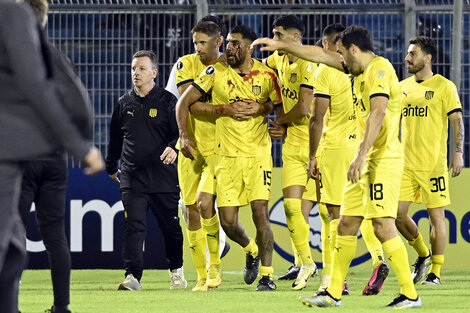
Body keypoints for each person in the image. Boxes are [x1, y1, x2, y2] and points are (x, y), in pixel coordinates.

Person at [251, 25, 421, 308]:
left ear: (354, 49)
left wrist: (362, 154)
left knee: (381, 225)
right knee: (346, 223)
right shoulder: (357, 68)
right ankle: (333, 292)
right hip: (364, 160)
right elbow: (319, 54)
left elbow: (378, 112)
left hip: (380, 160)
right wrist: (284, 46)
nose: (339, 59)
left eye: (342, 52)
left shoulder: (379, 71)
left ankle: (410, 294)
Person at [0, 2, 103, 313]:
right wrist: (80, 145)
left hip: (24, 157)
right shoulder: (21, 23)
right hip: (39, 154)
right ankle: (61, 306)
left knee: (13, 241)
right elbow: (44, 88)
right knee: (32, 238)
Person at [176, 25, 281, 291]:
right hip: (225, 157)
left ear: (248, 47)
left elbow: (277, 106)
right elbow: (187, 104)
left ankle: (267, 277)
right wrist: (223, 109)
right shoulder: (215, 73)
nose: (230, 49)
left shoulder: (268, 75)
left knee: (261, 214)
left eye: (236, 44)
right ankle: (252, 249)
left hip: (258, 156)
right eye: (229, 43)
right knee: (229, 222)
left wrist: (263, 109)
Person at [308, 23, 390, 296]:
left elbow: (316, 117)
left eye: (324, 45)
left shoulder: (326, 70)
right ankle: (378, 259)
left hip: (336, 148)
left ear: (332, 46)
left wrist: (312, 154)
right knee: (362, 213)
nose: (323, 50)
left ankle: (334, 279)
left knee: (334, 215)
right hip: (362, 148)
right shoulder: (364, 69)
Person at [105, 50, 186, 291]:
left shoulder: (168, 101)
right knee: (134, 226)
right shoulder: (123, 103)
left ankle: (176, 272)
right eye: (133, 69)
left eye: (141, 69)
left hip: (163, 177)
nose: (135, 73)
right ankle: (132, 276)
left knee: (170, 228)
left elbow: (181, 133)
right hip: (132, 177)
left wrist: (174, 148)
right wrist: (111, 166)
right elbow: (115, 140)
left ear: (154, 72)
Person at [396, 36, 464, 285]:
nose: (407, 58)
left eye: (413, 54)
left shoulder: (444, 87)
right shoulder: (402, 87)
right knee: (396, 215)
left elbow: (457, 121)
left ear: (428, 58)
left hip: (433, 164)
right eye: (408, 53)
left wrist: (458, 152)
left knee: (437, 217)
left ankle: (435, 272)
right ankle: (423, 253)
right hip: (404, 164)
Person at [170, 18, 227, 292]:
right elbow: (188, 103)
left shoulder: (228, 67)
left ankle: (215, 268)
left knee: (206, 206)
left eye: (203, 43)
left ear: (219, 41)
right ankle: (201, 277)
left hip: (217, 148)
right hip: (190, 148)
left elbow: (195, 101)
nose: (198, 48)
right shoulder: (185, 63)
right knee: (190, 209)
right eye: (195, 42)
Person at [262, 15, 317, 290]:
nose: (274, 39)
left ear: (295, 38)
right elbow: (260, 73)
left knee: (332, 213)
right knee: (291, 207)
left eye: (279, 35)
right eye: (273, 34)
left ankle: (337, 276)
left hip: (320, 146)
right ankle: (305, 263)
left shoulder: (310, 63)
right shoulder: (277, 59)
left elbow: (305, 108)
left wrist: (280, 121)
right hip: (293, 144)